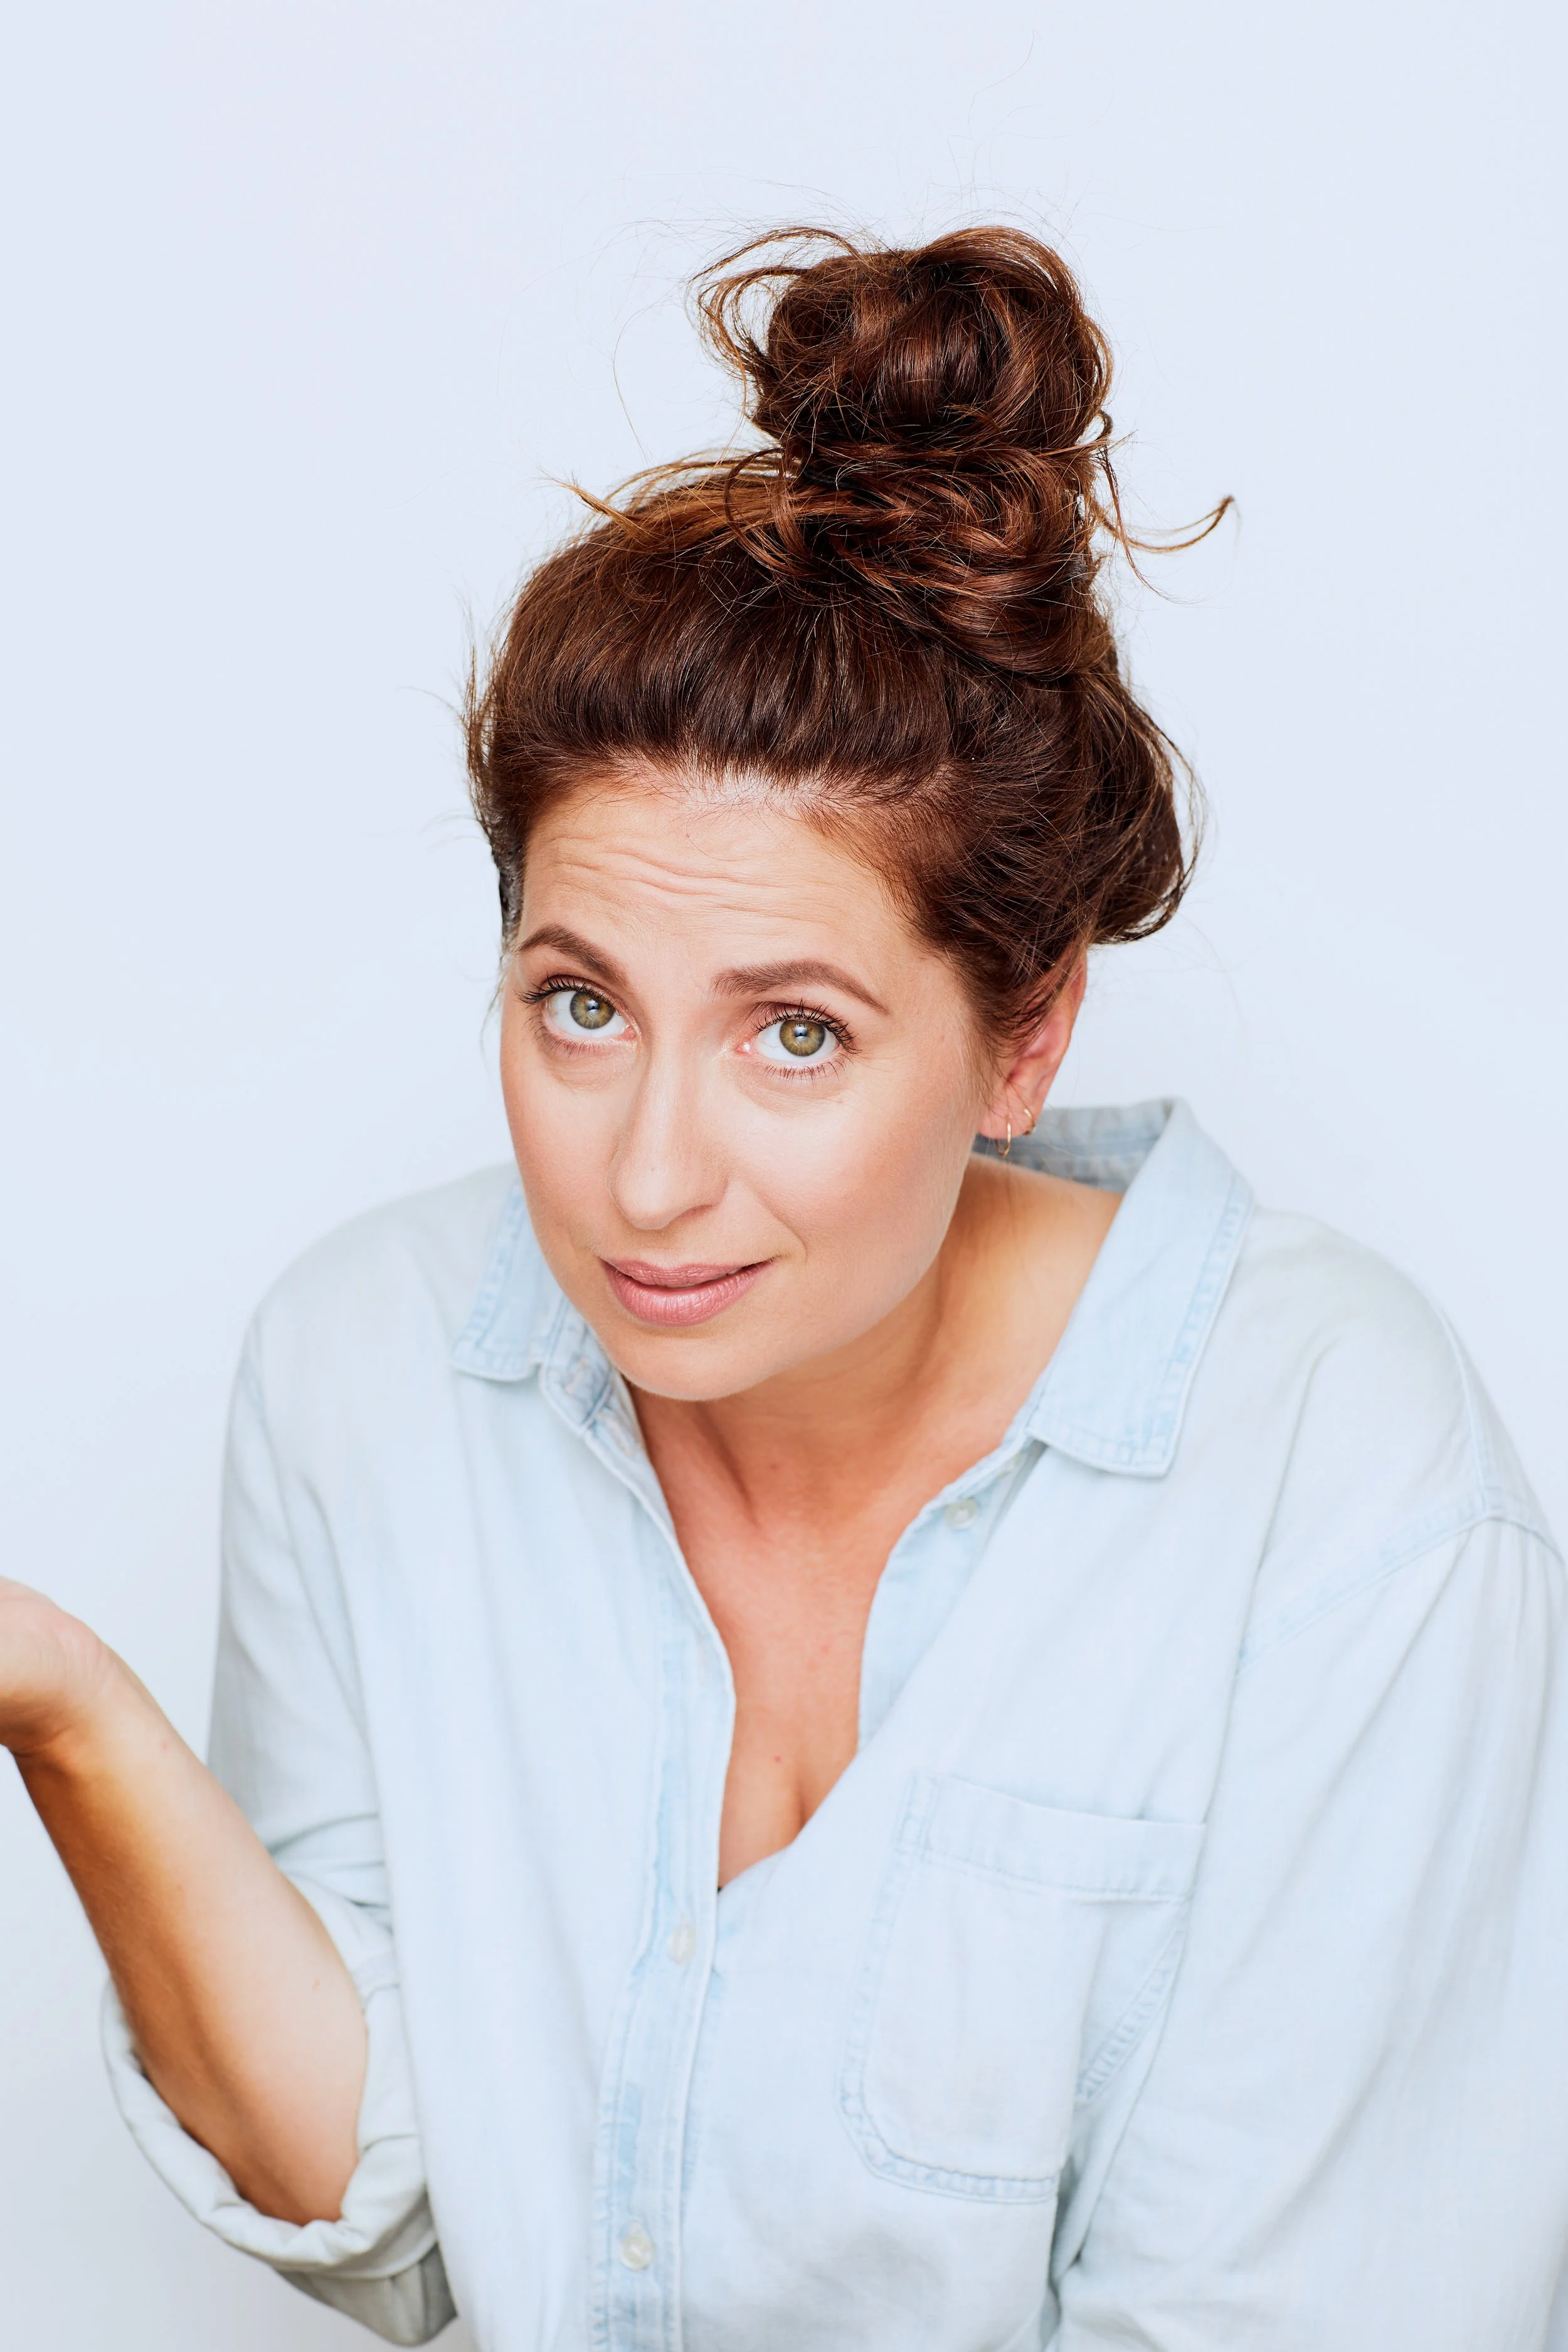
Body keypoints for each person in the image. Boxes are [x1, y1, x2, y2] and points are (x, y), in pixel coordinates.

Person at [3, 225, 1565, 2352]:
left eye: (795, 1031)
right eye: (577, 1004)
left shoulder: (1338, 1479)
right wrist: (60, 1703)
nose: (646, 1169)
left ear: (1025, 1036)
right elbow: (391, 2200)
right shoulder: (361, 1369)